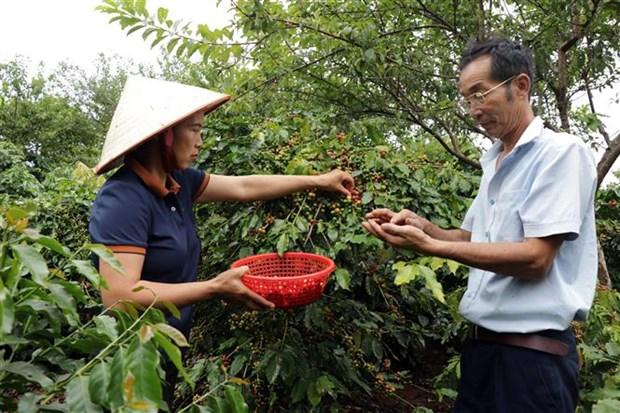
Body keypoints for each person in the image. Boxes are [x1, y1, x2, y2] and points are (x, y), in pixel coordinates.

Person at [88, 76, 354, 411]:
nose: (201, 139)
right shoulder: (124, 198)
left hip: (165, 347)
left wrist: (318, 181)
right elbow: (120, 297)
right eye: (195, 129)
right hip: (131, 358)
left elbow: (244, 187)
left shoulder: (178, 182)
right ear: (166, 134)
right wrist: (214, 288)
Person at [363, 38, 597, 412]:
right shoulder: (495, 161)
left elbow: (535, 258)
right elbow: (472, 238)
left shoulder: (560, 154)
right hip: (483, 352)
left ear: (520, 86)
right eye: (466, 99)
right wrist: (423, 228)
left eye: (479, 94)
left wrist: (431, 247)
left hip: (531, 362)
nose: (473, 110)